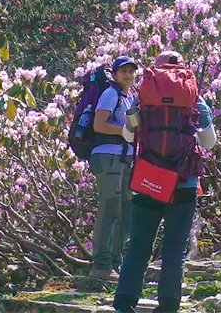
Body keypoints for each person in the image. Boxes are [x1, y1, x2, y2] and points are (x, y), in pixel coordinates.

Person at [113, 51, 216, 313]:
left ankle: (125, 305)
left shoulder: (145, 95)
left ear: (154, 70)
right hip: (184, 182)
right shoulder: (193, 97)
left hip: (150, 180)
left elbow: (127, 135)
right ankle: (168, 307)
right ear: (182, 69)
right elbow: (209, 142)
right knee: (174, 248)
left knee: (138, 246)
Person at [89, 55, 138, 281]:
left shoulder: (130, 98)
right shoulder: (110, 94)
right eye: (123, 71)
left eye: (131, 71)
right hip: (108, 157)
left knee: (126, 211)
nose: (127, 75)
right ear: (115, 74)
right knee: (109, 209)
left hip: (124, 159)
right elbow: (99, 124)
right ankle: (101, 266)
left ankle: (115, 265)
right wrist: (121, 132)